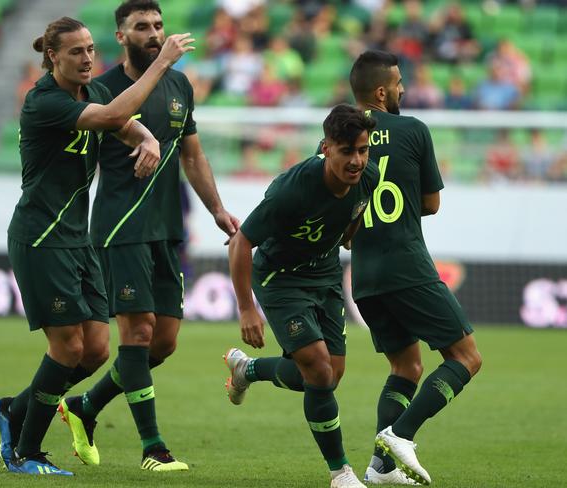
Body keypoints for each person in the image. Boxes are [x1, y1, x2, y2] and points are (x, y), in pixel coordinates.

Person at [0, 16, 193, 476]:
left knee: (97, 349)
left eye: (89, 50)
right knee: (66, 348)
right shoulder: (44, 101)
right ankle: (25, 451)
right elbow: (110, 118)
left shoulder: (93, 92)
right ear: (52, 57)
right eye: (75, 52)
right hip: (41, 238)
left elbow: (123, 125)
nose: (86, 58)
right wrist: (161, 63)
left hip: (78, 240)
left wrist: (147, 138)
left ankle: (14, 410)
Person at [57, 0, 239, 473]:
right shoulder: (101, 88)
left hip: (165, 229)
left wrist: (217, 209)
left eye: (158, 25)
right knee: (137, 333)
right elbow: (117, 124)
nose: (154, 33)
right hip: (121, 226)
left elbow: (192, 155)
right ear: (121, 36)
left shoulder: (180, 85)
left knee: (164, 342)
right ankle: (153, 448)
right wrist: (160, 64)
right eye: (142, 27)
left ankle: (85, 407)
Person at [225, 104, 379, 488]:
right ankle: (340, 472)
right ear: (326, 149)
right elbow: (241, 241)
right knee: (319, 370)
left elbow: (354, 215)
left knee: (328, 375)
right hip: (281, 278)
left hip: (324, 275)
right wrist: (246, 307)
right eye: (347, 152)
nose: (357, 160)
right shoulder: (292, 190)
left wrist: (348, 234)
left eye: (363, 150)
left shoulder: (368, 178)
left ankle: (249, 369)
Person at [346, 50, 482, 485]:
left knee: (406, 368)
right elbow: (431, 203)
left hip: (363, 275)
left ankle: (379, 468)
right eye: (400, 82)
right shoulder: (412, 129)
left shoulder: (338, 136)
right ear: (382, 91)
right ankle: (401, 435)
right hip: (406, 265)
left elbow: (334, 204)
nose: (404, 88)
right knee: (466, 357)